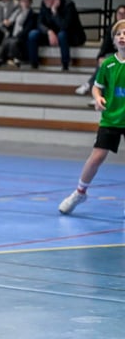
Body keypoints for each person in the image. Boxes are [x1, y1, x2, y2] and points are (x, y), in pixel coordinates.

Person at [58, 19, 125, 215]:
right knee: (97, 157)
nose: (122, 37)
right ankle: (79, 193)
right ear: (114, 40)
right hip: (111, 118)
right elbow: (97, 87)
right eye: (118, 34)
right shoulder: (108, 64)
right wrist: (98, 98)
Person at [27, 0, 86, 71]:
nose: (44, 0)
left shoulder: (68, 5)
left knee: (62, 35)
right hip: (51, 34)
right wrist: (49, 32)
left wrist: (55, 12)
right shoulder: (44, 3)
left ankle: (65, 65)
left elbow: (64, 26)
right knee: (33, 34)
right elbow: (39, 23)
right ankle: (33, 64)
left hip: (70, 35)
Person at [75, 4, 125, 96]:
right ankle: (95, 89)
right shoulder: (112, 28)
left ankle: (91, 86)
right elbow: (105, 45)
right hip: (114, 54)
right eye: (119, 13)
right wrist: (100, 56)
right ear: (116, 15)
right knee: (104, 62)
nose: (121, 16)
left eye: (124, 14)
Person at [0, 0, 37, 68]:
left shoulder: (32, 14)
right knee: (6, 41)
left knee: (13, 42)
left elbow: (28, 28)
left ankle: (14, 59)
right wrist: (7, 24)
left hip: (23, 36)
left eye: (26, 1)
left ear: (30, 2)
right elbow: (11, 24)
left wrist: (18, 35)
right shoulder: (17, 13)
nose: (24, 3)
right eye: (22, 0)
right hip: (14, 35)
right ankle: (1, 58)